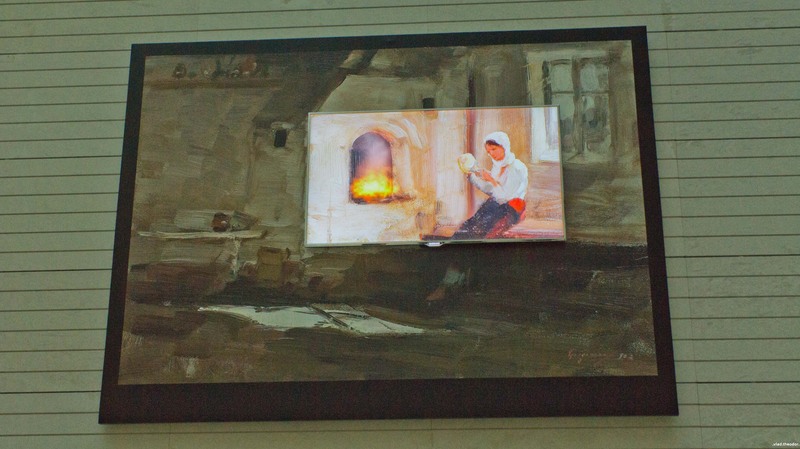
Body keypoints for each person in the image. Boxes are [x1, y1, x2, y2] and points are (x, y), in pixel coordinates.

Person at [451, 131, 528, 239]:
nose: (491, 153)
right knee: (472, 222)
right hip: (497, 204)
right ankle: (456, 240)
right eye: (488, 151)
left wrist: (491, 180)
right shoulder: (497, 167)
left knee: (482, 226)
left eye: (493, 149)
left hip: (512, 208)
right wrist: (472, 177)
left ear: (504, 146)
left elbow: (505, 197)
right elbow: (492, 191)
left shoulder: (517, 167)